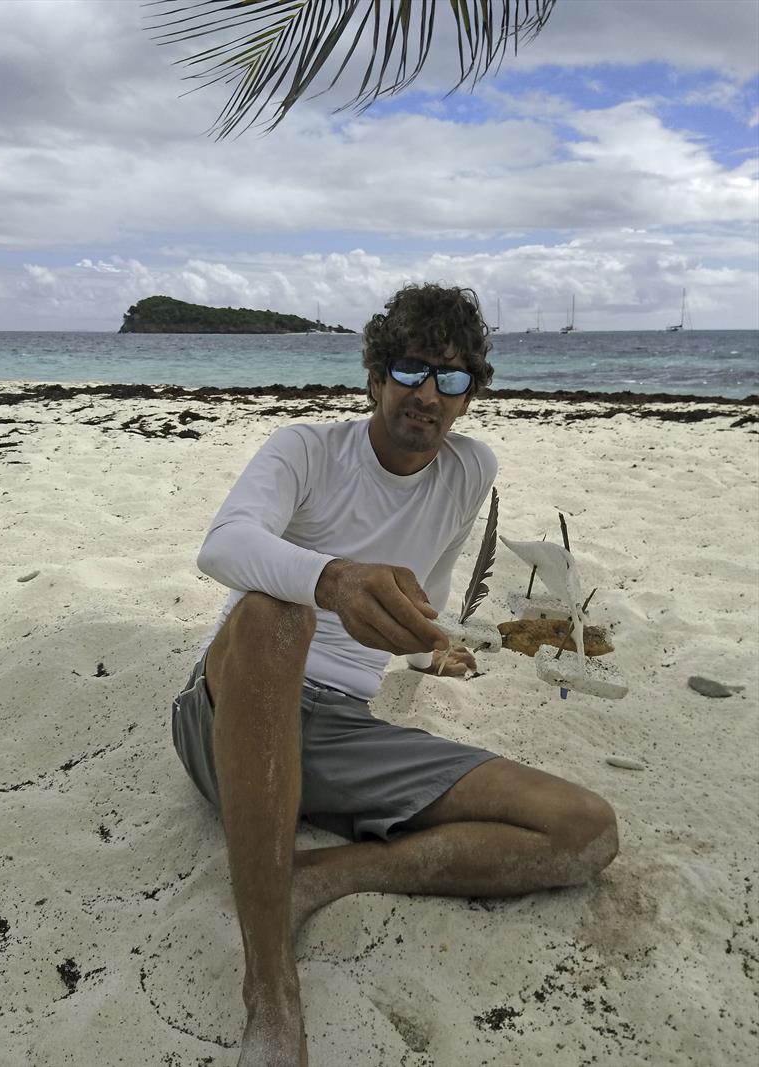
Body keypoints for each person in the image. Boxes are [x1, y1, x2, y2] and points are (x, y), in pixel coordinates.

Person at [171, 283, 618, 1067]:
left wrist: (427, 649)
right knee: (277, 614)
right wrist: (331, 580)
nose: (428, 394)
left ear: (470, 396)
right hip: (231, 708)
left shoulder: (468, 470)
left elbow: (427, 590)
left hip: (341, 728)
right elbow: (224, 544)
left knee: (582, 829)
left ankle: (323, 873)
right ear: (377, 376)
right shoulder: (306, 449)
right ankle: (270, 988)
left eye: (451, 378)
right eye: (412, 369)